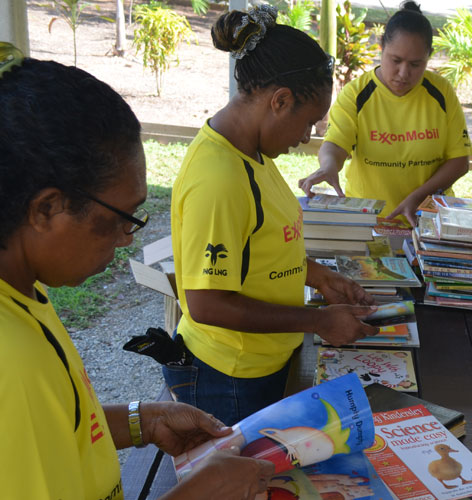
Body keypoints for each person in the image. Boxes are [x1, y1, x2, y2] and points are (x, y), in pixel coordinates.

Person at [0, 46, 274, 499]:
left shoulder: (23, 294)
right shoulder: (12, 359)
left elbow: (53, 429)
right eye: (120, 216)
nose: (128, 237)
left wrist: (143, 420)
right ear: (46, 208)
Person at [165, 6, 378, 426]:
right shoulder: (219, 178)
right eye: (310, 121)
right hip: (227, 375)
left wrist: (319, 277)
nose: (307, 136)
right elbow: (206, 303)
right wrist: (317, 321)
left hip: (261, 360)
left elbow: (263, 250)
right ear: (280, 100)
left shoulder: (253, 152)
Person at [299, 1, 472, 225]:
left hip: (429, 220)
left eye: (415, 64)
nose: (403, 73)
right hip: (371, 221)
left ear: (429, 56)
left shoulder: (441, 92)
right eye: (396, 60)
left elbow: (459, 161)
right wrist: (328, 166)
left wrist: (418, 197)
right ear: (382, 47)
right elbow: (335, 144)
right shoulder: (357, 94)